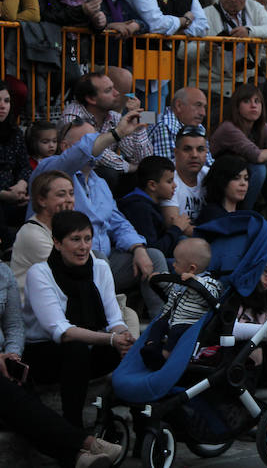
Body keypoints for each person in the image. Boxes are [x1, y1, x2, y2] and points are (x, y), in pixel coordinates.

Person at [31, 111, 169, 316]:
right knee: (97, 258)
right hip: (67, 265)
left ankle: (164, 324)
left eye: (99, 139)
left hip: (103, 263)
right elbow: (81, 154)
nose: (100, 146)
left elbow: (119, 222)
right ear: (67, 148)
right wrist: (117, 133)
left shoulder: (99, 182)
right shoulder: (52, 170)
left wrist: (137, 247)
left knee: (153, 256)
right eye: (91, 141)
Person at [0, 243, 123, 466]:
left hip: (5, 361)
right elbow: (58, 329)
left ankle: (77, 459)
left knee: (24, 406)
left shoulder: (3, 273)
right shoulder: (41, 272)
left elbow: (14, 326)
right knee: (15, 402)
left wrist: (12, 355)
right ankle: (86, 443)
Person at [23, 210, 135, 427]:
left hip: (89, 347)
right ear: (57, 242)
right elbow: (61, 331)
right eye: (75, 240)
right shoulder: (40, 273)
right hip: (43, 353)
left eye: (87, 239)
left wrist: (123, 337)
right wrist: (111, 339)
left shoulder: (100, 267)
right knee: (76, 348)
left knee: (131, 348)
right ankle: (73, 426)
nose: (83, 247)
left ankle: (138, 424)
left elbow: (114, 320)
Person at [184, 0, 267, 99]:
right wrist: (206, 49)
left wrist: (249, 32)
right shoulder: (205, 15)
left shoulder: (254, 7)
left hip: (246, 87)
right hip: (212, 90)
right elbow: (182, 52)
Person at [60, 72, 153, 189]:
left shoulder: (114, 116)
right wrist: (130, 167)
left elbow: (143, 160)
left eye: (114, 87)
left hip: (105, 176)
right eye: (109, 90)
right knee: (108, 174)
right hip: (73, 177)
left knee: (146, 176)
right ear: (91, 99)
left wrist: (138, 126)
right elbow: (95, 152)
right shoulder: (73, 115)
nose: (117, 93)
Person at [209, 84, 267, 209]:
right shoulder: (229, 128)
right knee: (258, 169)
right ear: (237, 106)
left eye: (257, 101)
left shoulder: (261, 126)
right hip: (221, 180)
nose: (253, 105)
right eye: (246, 101)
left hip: (241, 176)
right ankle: (243, 213)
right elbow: (258, 156)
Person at [140, 238, 220, 369]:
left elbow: (213, 295)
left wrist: (196, 280)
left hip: (189, 323)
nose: (173, 264)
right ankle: (151, 347)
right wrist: (159, 278)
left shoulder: (210, 282)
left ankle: (164, 357)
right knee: (158, 325)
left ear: (192, 268)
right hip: (171, 318)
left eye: (176, 262)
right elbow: (168, 290)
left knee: (176, 332)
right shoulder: (179, 280)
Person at [11, 170, 73, 296]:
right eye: (61, 195)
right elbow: (72, 272)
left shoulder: (65, 227)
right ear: (41, 200)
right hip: (33, 310)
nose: (69, 200)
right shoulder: (32, 234)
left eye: (71, 194)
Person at [117, 156, 190, 258]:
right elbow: (153, 251)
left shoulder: (148, 204)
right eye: (169, 181)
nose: (175, 185)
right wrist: (176, 228)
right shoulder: (139, 208)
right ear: (152, 185)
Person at [148, 86, 213, 164]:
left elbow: (208, 163)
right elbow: (170, 170)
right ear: (178, 105)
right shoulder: (165, 126)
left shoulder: (198, 126)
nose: (203, 113)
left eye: (204, 107)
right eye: (198, 105)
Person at [0, 82, 30, 233]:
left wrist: (21, 186)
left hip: (15, 193)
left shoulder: (14, 131)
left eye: (6, 101)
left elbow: (24, 165)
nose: (2, 106)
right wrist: (5, 195)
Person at [195, 155, 249, 225]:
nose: (243, 183)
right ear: (221, 181)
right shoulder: (211, 214)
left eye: (246, 178)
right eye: (236, 178)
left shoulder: (246, 214)